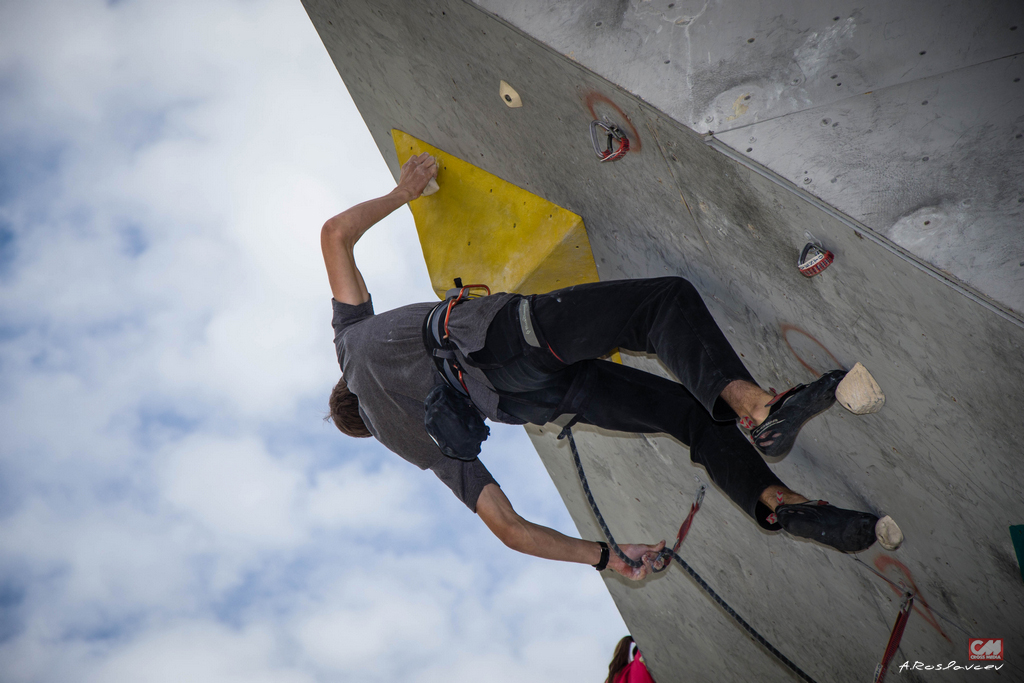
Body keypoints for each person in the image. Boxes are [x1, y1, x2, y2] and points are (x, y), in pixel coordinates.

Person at [321, 152, 886, 582]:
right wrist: (406, 190)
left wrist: (606, 557)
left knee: (687, 419)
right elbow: (335, 235)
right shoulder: (350, 343)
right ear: (344, 385)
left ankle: (779, 504)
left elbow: (509, 531)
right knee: (658, 305)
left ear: (369, 429)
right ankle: (760, 409)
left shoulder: (411, 445)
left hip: (537, 401)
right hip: (500, 344)